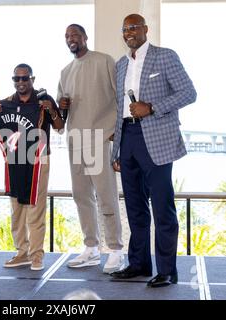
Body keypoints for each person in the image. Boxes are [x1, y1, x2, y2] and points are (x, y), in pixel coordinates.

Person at [110, 14, 197, 287]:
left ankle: (168, 271)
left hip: (156, 139)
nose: (129, 32)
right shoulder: (121, 64)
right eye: (125, 29)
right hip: (128, 138)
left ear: (146, 29)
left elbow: (189, 93)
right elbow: (118, 108)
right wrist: (116, 151)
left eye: (134, 27)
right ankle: (138, 264)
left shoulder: (165, 56)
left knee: (162, 208)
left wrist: (152, 107)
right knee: (135, 207)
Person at [57, 24, 124, 273]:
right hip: (75, 140)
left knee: (106, 196)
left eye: (75, 34)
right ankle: (92, 248)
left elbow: (121, 98)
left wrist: (117, 132)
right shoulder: (65, 71)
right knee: (81, 196)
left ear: (85, 37)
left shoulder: (105, 61)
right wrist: (61, 105)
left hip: (99, 138)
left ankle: (116, 250)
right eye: (67, 36)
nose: (71, 39)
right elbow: (60, 114)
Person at [0, 63, 64, 271]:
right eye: (17, 79)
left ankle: (36, 255)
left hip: (39, 160)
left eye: (25, 78)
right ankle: (21, 252)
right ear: (13, 80)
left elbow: (59, 128)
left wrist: (53, 111)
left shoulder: (43, 100)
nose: (21, 82)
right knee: (17, 210)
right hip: (15, 160)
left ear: (33, 78)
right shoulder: (5, 103)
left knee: (36, 208)